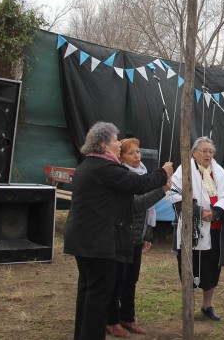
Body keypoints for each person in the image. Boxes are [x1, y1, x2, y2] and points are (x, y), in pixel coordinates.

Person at [63, 122, 172, 340]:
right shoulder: (105, 169)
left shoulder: (88, 166)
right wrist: (163, 173)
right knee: (97, 298)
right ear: (103, 145)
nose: (118, 144)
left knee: (87, 293)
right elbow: (139, 184)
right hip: (98, 244)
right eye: (115, 140)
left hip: (85, 242)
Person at [105, 138, 170, 337]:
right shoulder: (122, 177)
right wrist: (162, 190)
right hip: (121, 237)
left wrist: (147, 235)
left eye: (138, 152)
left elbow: (147, 213)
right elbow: (137, 204)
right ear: (122, 157)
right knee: (117, 280)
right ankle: (111, 320)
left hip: (135, 237)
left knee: (131, 279)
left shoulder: (143, 175)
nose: (137, 156)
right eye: (131, 153)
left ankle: (128, 317)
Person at [168, 137, 224, 322]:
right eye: (204, 151)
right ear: (194, 152)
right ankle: (188, 305)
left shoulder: (219, 172)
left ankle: (207, 305)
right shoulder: (185, 169)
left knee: (212, 268)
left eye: (211, 151)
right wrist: (196, 211)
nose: (208, 155)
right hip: (192, 228)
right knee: (189, 266)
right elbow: (174, 193)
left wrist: (216, 212)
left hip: (214, 228)